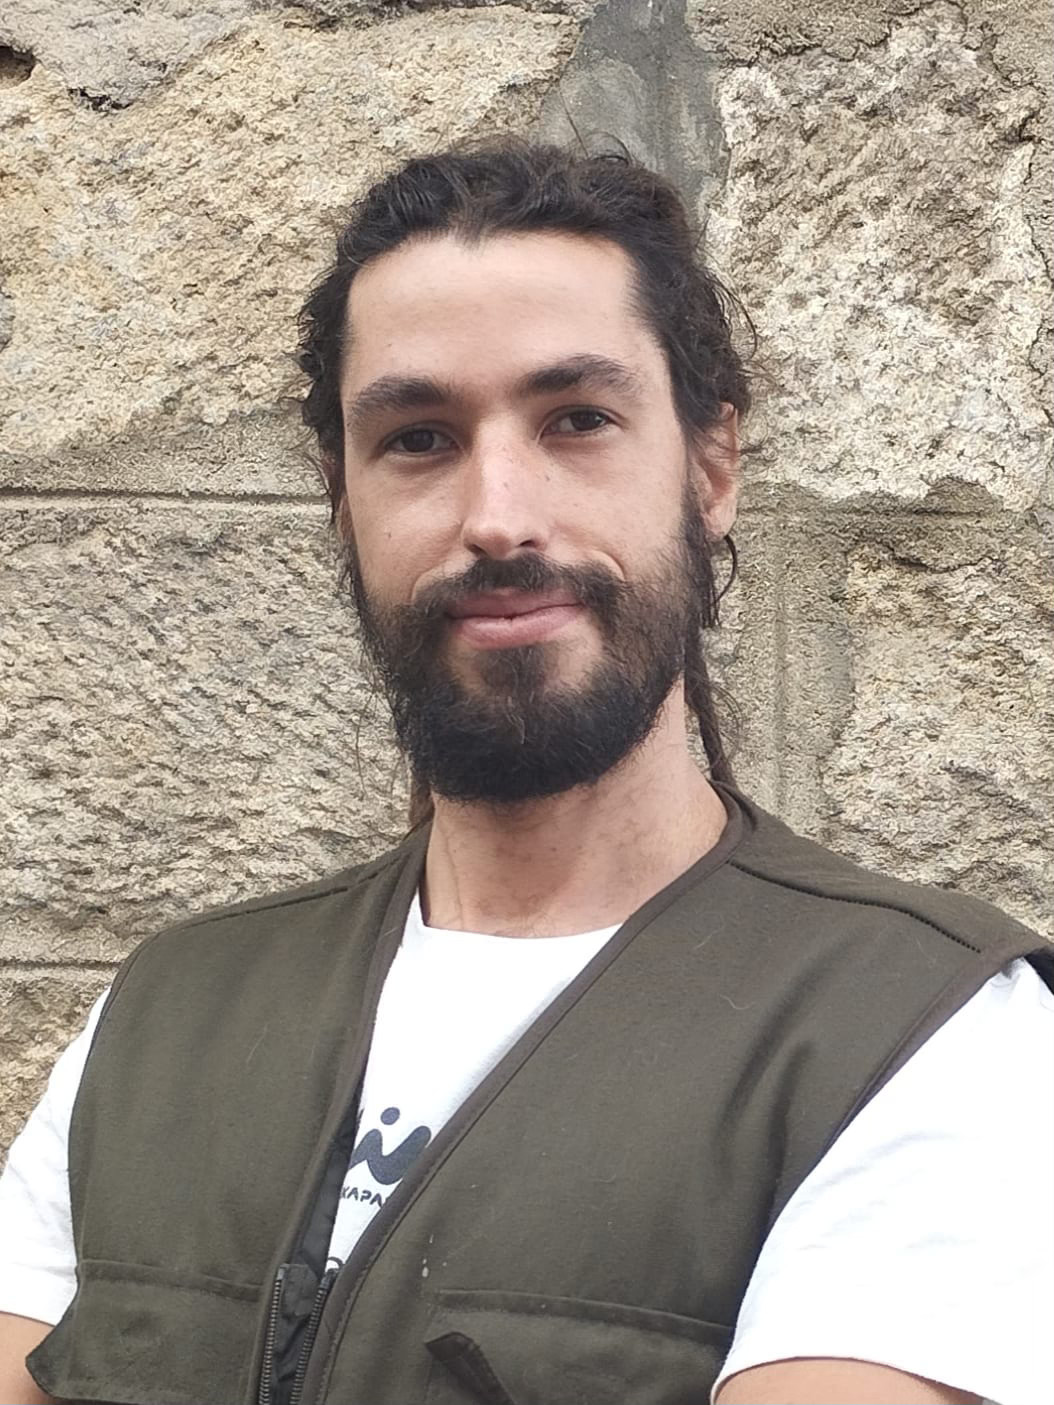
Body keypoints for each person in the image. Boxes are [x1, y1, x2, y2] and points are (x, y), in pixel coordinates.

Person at [0, 140, 1051, 1405]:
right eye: (419, 437)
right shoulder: (164, 1019)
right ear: (341, 496)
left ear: (710, 467)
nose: (498, 513)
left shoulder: (916, 1032)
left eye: (578, 421)